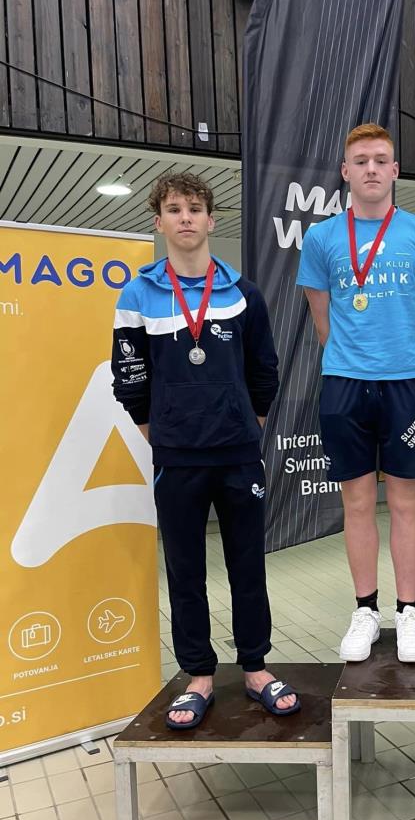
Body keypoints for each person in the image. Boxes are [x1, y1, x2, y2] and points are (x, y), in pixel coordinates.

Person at [112, 173, 299, 729]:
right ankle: (197, 675)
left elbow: (265, 371)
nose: (186, 217)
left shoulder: (244, 293)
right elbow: (129, 376)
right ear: (159, 221)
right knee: (184, 570)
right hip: (176, 457)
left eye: (195, 208)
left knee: (248, 565)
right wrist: (163, 432)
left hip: (238, 455)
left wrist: (245, 425)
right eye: (175, 209)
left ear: (212, 220)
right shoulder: (138, 294)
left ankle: (256, 668)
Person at [297, 123, 415, 663]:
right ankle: (366, 610)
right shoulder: (321, 239)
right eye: (361, 161)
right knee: (357, 502)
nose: (372, 169)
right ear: (345, 172)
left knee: (405, 502)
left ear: (395, 169)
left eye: (381, 160)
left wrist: (402, 358)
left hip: (406, 383)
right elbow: (322, 320)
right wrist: (355, 359)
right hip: (344, 383)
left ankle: (408, 610)